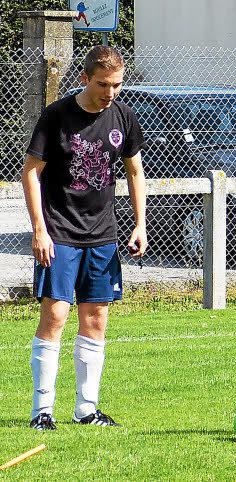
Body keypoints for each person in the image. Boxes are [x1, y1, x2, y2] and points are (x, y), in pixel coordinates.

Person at [22, 46, 147, 430]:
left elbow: (135, 171)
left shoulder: (123, 116)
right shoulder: (57, 116)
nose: (111, 92)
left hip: (103, 236)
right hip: (59, 234)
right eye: (103, 84)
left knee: (96, 319)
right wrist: (40, 230)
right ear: (85, 79)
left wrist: (140, 223)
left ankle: (86, 410)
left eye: (118, 85)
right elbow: (30, 173)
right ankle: (42, 412)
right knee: (55, 316)